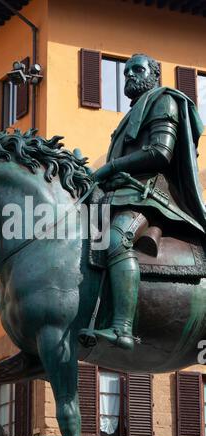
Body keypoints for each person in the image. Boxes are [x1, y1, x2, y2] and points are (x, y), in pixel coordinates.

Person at [79, 53, 206, 350]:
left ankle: (122, 327)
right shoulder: (131, 115)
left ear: (155, 73)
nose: (130, 76)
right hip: (120, 195)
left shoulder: (165, 101)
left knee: (116, 239)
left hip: (149, 197)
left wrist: (111, 167)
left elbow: (160, 152)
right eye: (125, 73)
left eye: (137, 69)